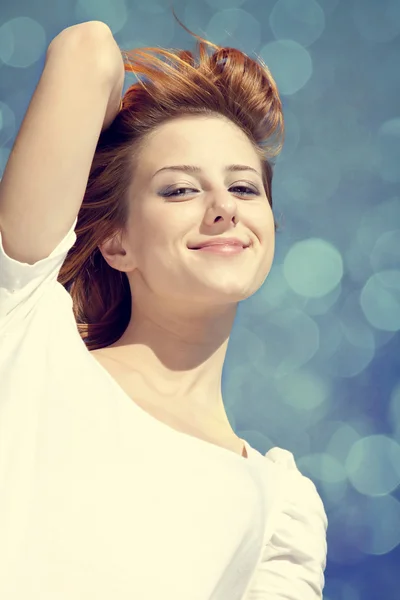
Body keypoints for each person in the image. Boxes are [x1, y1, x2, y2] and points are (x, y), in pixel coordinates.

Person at [0, 14, 328, 600]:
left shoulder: (281, 503)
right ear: (116, 241)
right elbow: (87, 50)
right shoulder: (25, 327)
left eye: (245, 187)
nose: (224, 207)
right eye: (180, 188)